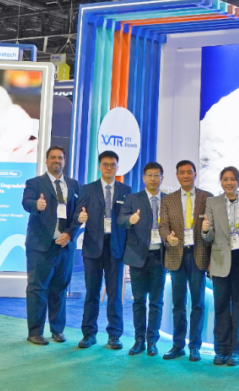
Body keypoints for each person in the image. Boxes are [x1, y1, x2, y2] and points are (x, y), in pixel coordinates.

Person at [21, 146, 81, 345]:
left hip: (65, 246)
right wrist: (35, 206)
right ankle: (34, 332)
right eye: (53, 157)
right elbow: (26, 202)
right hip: (40, 246)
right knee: (37, 289)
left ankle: (57, 330)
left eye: (60, 158)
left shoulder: (74, 185)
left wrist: (70, 234)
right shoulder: (34, 183)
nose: (57, 160)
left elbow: (78, 214)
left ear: (64, 161)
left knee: (60, 289)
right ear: (46, 161)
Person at [77, 151, 132, 350]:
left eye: (113, 164)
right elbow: (77, 213)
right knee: (92, 293)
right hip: (92, 247)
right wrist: (79, 218)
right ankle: (89, 334)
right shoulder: (87, 189)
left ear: (117, 167)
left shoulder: (126, 190)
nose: (109, 168)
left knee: (115, 294)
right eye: (106, 164)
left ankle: (114, 335)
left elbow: (128, 220)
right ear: (100, 167)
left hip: (115, 248)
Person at [160, 160, 212, 362]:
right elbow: (163, 225)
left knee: (198, 304)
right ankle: (178, 345)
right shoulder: (168, 200)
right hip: (176, 256)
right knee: (178, 304)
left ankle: (195, 346)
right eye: (181, 172)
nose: (186, 175)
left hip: (199, 255)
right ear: (177, 175)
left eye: (189, 172)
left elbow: (212, 228)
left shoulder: (207, 197)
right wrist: (167, 237)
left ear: (195, 174)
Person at [202, 166, 239, 367]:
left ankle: (236, 351)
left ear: (238, 181)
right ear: (221, 182)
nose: (229, 183)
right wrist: (205, 230)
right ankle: (221, 350)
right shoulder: (212, 202)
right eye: (225, 179)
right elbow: (208, 237)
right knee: (221, 306)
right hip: (220, 259)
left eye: (232, 179)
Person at [118, 162, 167, 357]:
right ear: (143, 178)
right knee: (139, 300)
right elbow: (120, 220)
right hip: (137, 256)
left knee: (156, 302)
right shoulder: (132, 199)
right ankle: (139, 340)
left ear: (162, 178)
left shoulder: (168, 200)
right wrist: (130, 220)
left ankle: (152, 341)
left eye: (157, 175)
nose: (153, 179)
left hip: (159, 257)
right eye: (149, 175)